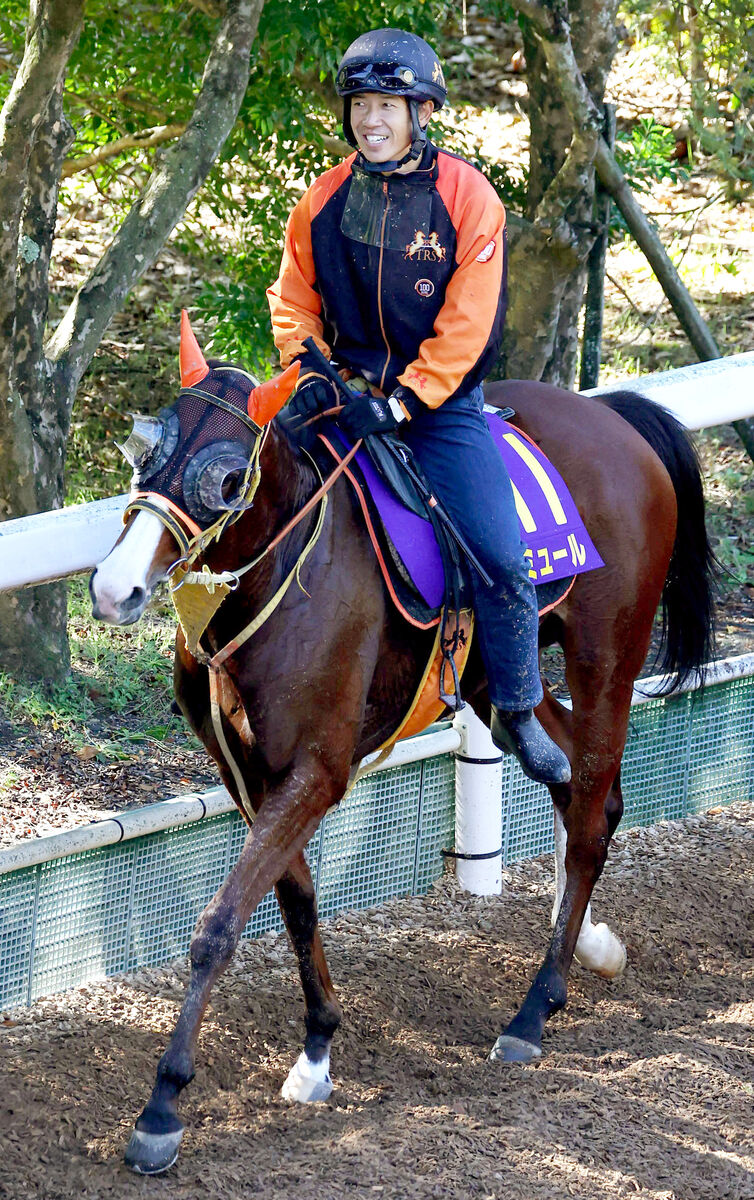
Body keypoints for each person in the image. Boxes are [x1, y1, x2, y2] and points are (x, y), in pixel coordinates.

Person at [266, 28, 570, 785]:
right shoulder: (322, 201)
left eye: (388, 106)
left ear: (422, 111)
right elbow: (292, 303)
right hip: (339, 399)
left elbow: (469, 324)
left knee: (501, 560)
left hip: (438, 410)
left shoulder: (467, 196)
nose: (372, 119)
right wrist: (313, 374)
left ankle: (519, 709)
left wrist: (403, 402)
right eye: (361, 105)